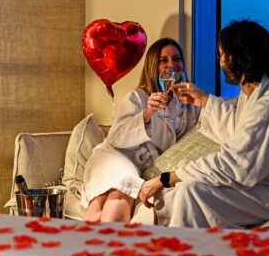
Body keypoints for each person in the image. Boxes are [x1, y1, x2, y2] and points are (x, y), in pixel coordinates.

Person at [136, 20, 269, 228]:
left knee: (191, 193)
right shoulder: (254, 94)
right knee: (177, 192)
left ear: (239, 57)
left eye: (223, 55)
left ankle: (186, 254)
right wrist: (203, 100)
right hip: (265, 184)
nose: (221, 62)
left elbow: (237, 164)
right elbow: (239, 135)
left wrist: (167, 177)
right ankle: (139, 241)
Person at [82, 38, 201, 223]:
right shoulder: (138, 97)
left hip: (137, 165)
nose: (172, 65)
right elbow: (116, 138)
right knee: (123, 187)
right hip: (114, 156)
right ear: (153, 66)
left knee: (99, 212)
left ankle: (91, 248)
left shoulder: (190, 103)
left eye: (176, 59)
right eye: (164, 60)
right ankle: (108, 247)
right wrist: (147, 112)